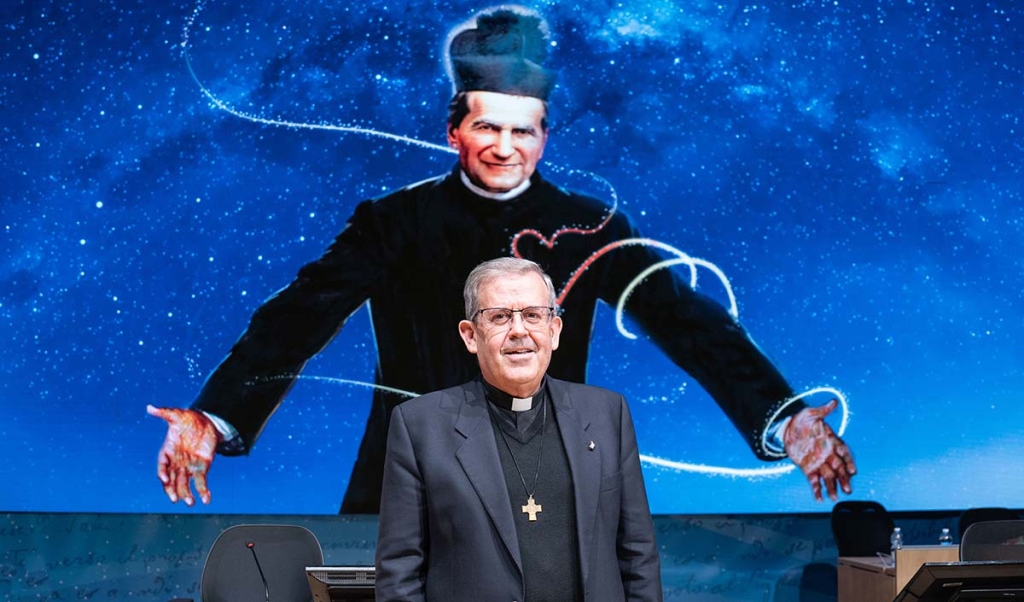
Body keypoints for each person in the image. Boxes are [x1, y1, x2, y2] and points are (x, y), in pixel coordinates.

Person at [148, 5, 855, 514]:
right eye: (487, 126)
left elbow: (687, 322)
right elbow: (296, 318)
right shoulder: (392, 224)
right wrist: (214, 415)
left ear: (544, 135)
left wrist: (783, 416)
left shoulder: (592, 227)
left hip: (543, 495)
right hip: (406, 491)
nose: (504, 148)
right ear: (454, 129)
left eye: (523, 131)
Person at [375, 257, 662, 602]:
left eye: (533, 315)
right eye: (499, 317)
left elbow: (638, 555)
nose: (519, 331)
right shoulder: (420, 426)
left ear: (554, 331)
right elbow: (400, 574)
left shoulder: (606, 414)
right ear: (470, 335)